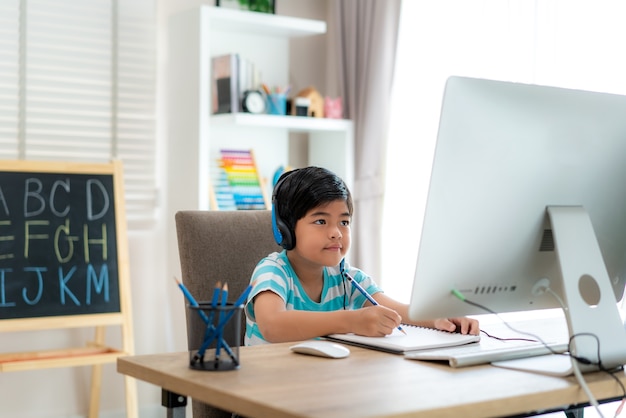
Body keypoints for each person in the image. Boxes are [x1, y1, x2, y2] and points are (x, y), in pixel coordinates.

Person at [244, 166, 479, 345]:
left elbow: (397, 312)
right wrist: (352, 320)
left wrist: (438, 318)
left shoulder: (347, 277)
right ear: (284, 228)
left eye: (344, 222)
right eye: (321, 221)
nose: (336, 233)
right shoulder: (272, 272)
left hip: (318, 391)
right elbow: (273, 326)